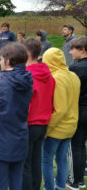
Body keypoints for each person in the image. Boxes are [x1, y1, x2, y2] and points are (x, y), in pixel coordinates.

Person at [0, 43, 33, 190]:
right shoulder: (28, 80)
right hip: (20, 138)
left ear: (8, 61)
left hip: (1, 142)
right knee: (16, 181)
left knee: (1, 184)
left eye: (1, 59)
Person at [41, 47, 80, 190]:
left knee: (46, 160)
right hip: (71, 126)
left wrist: (47, 128)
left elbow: (60, 109)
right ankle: (60, 186)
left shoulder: (56, 78)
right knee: (62, 159)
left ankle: (49, 188)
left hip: (56, 128)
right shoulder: (73, 75)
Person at [22, 38, 55, 190]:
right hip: (43, 124)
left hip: (29, 123)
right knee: (36, 161)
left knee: (25, 164)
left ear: (27, 53)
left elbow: (25, 103)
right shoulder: (48, 74)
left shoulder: (26, 76)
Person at [66, 37, 87, 189]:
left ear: (82, 50)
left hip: (80, 110)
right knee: (82, 144)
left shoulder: (76, 68)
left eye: (73, 49)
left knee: (75, 146)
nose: (70, 52)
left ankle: (74, 180)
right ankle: (81, 175)